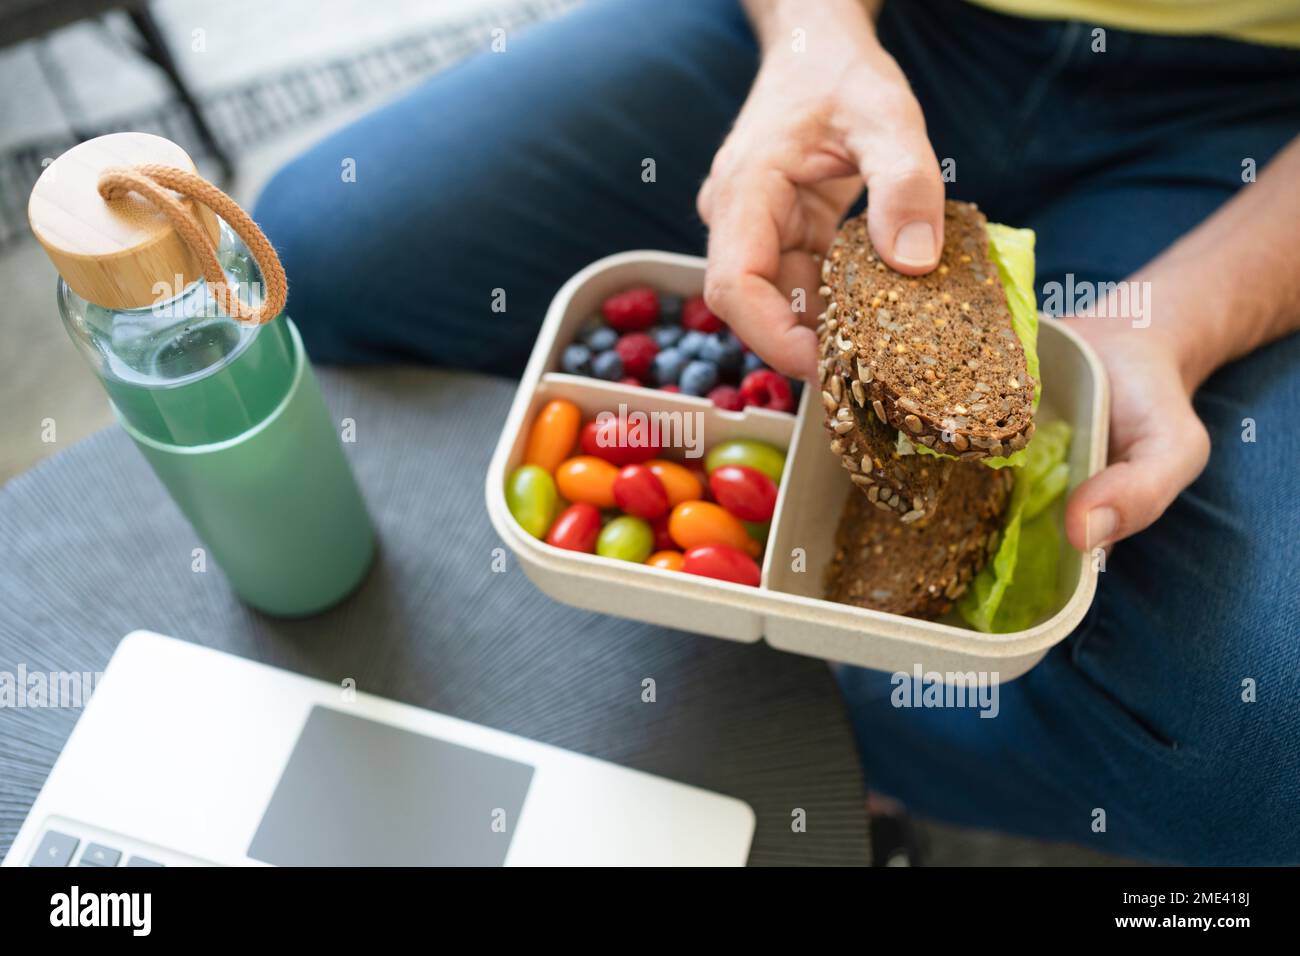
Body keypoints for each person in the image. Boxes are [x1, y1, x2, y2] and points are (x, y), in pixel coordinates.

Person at [253, 0, 1300, 864]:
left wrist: (1185, 319)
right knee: (315, 259)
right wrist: (812, 41)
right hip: (889, 29)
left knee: (1263, 774)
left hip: (1251, 122)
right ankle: (812, 720)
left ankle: (779, 737)